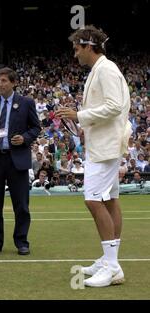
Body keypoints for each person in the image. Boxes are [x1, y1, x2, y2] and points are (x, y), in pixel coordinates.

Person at [56, 26, 131, 287]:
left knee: (93, 200)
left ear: (89, 46)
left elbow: (114, 107)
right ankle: (111, 262)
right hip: (102, 145)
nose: (75, 54)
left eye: (77, 48)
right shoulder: (99, 70)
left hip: (106, 148)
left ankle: (111, 266)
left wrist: (80, 116)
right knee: (109, 199)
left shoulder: (107, 69)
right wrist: (81, 121)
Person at [0, 67, 41, 256]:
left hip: (17, 160)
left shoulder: (26, 103)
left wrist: (24, 138)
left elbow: (36, 127)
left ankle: (22, 242)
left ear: (13, 83)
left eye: (4, 81)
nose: (0, 84)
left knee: (21, 205)